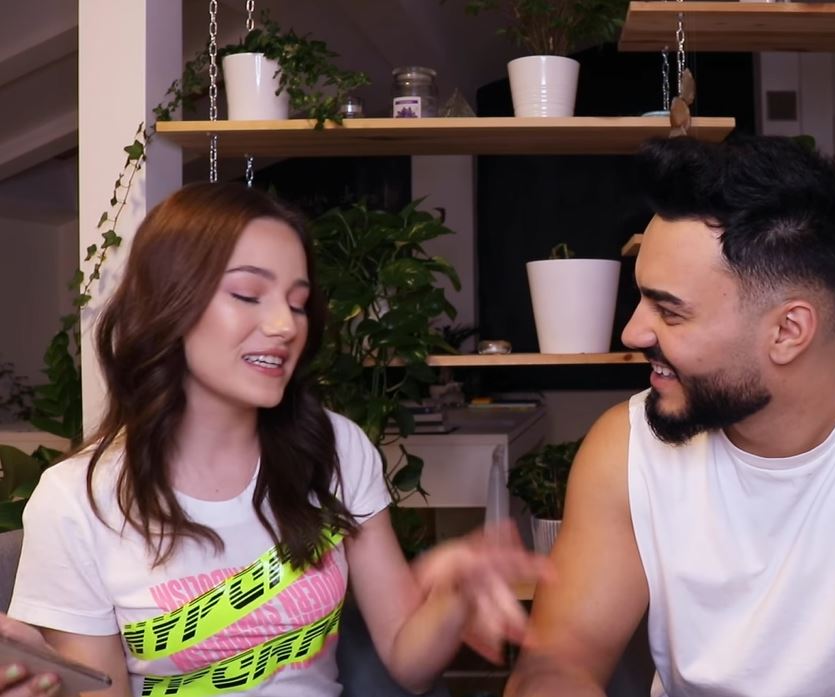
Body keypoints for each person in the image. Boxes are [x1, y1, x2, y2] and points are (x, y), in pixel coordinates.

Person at [0, 182, 549, 696]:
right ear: (169, 303)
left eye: (297, 302)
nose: (285, 325)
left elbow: (408, 661)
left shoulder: (335, 449)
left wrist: (455, 593)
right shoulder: (77, 500)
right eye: (248, 294)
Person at [505, 135, 835, 697]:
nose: (632, 333)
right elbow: (556, 669)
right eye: (641, 300)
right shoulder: (626, 448)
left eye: (670, 311)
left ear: (787, 331)